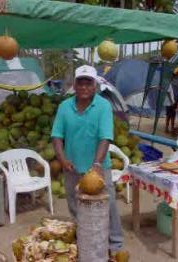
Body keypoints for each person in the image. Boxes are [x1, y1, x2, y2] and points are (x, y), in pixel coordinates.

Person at [51, 65, 123, 258]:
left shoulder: (103, 106)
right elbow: (57, 136)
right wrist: (62, 159)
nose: (84, 86)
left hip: (98, 169)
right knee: (76, 206)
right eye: (80, 82)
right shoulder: (64, 107)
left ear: (95, 85)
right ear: (74, 84)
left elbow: (105, 137)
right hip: (72, 169)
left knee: (108, 206)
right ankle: (85, 240)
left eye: (88, 82)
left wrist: (97, 164)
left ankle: (115, 244)